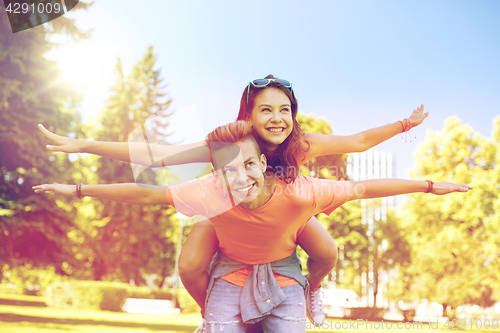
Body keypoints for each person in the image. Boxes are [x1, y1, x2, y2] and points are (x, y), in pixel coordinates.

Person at [37, 75, 429, 326]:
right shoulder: (227, 148)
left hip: (286, 208)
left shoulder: (301, 144)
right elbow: (155, 154)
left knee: (327, 250)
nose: (277, 118)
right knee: (190, 264)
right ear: (250, 116)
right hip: (224, 208)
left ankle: (311, 289)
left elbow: (358, 142)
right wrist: (85, 146)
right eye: (266, 110)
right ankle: (211, 315)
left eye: (285, 110)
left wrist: (404, 126)